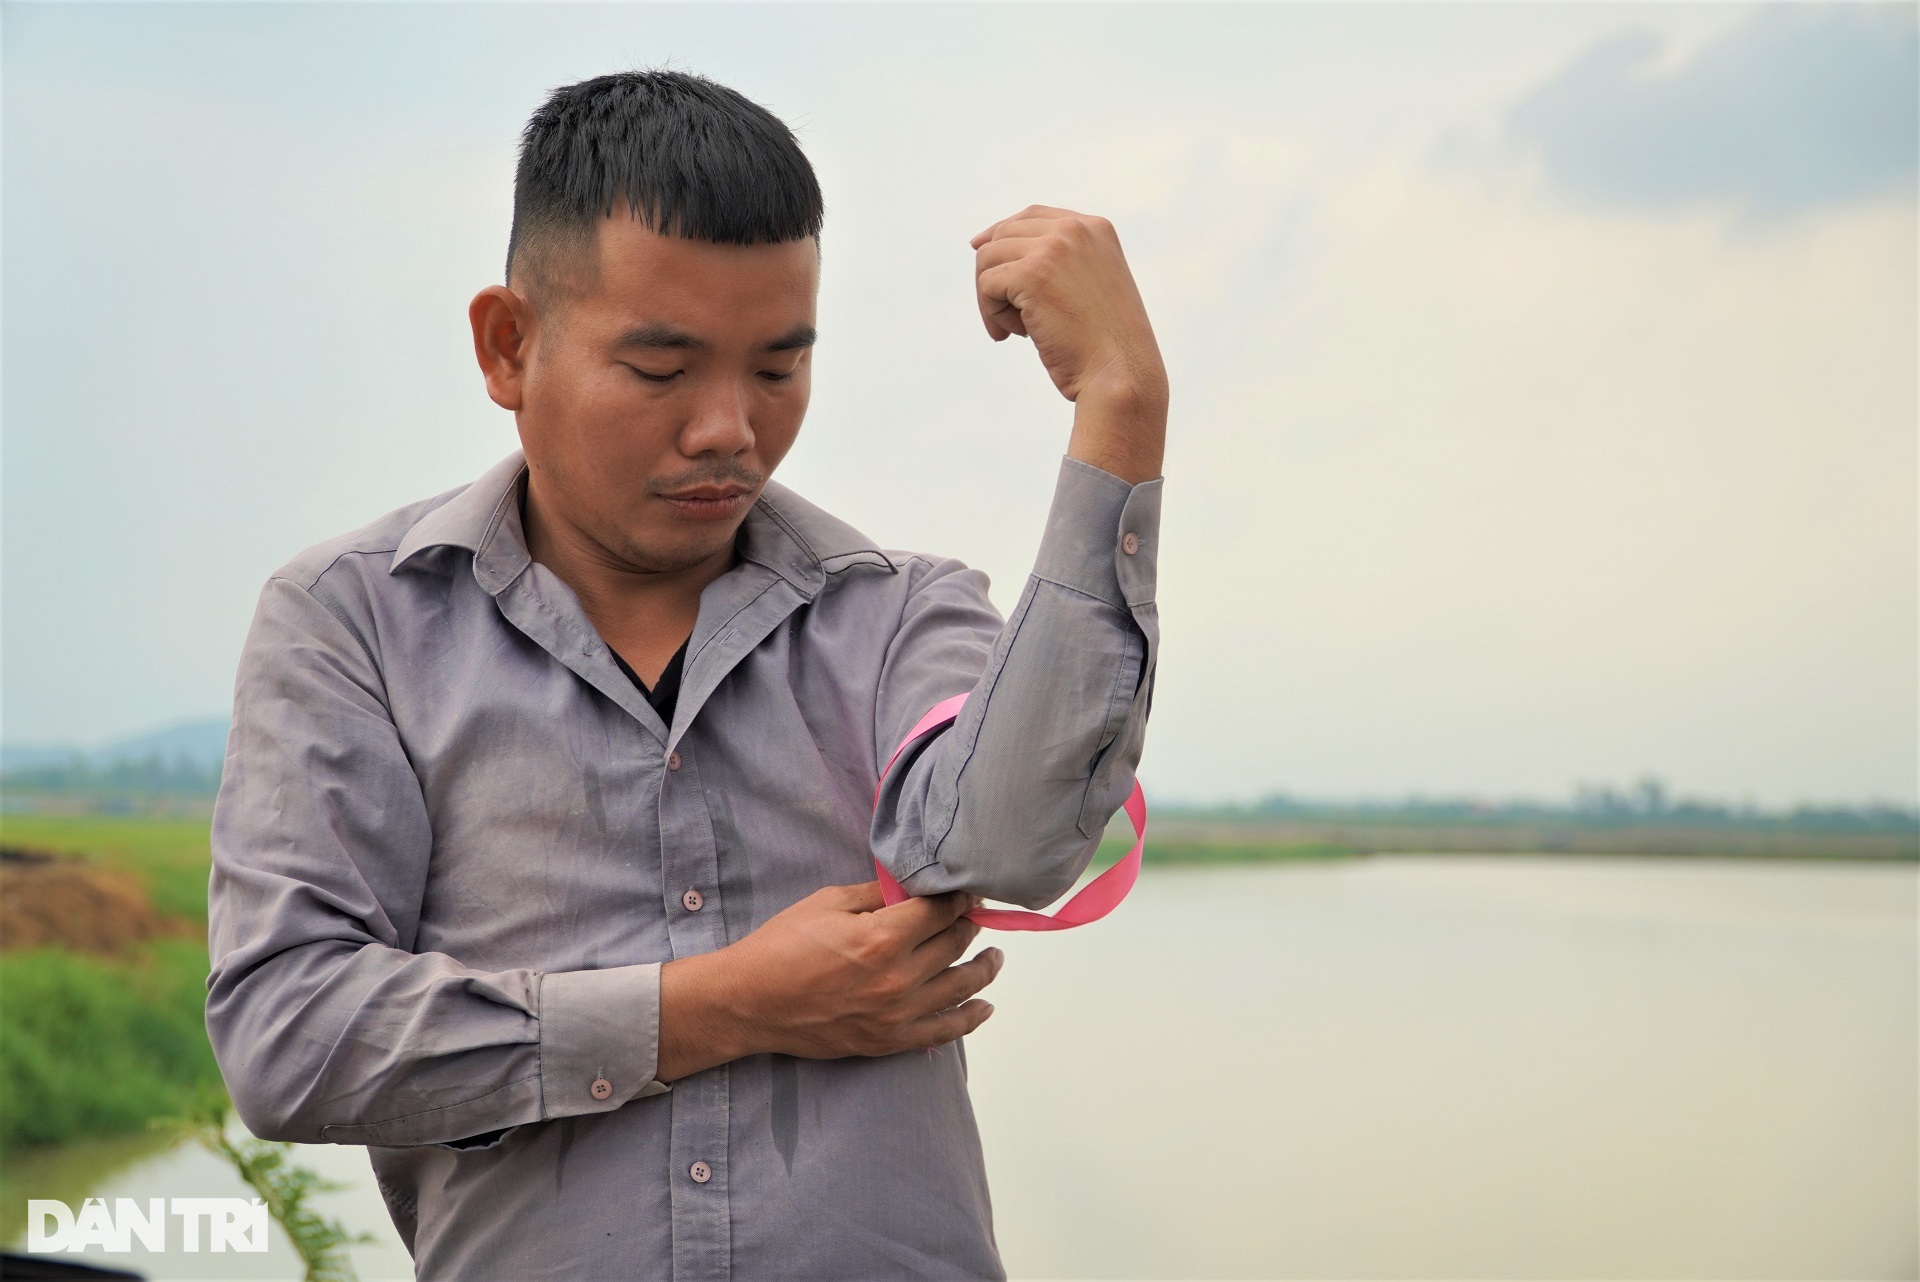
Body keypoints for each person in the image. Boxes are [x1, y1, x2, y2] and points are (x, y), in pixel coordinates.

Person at [205, 69, 1164, 1281]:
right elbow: (290, 1037)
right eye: (662, 370)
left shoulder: (898, 613)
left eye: (777, 369)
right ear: (509, 346)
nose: (729, 429)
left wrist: (1121, 406)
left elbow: (1016, 846)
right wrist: (723, 1003)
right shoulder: (357, 623)